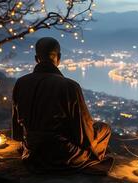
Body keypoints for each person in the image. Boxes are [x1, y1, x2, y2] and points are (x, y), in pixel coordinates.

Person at [12, 37, 111, 169]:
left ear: (36, 59)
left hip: (31, 151)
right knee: (104, 128)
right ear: (59, 57)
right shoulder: (69, 86)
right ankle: (88, 159)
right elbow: (84, 134)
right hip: (61, 154)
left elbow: (17, 134)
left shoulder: (20, 83)